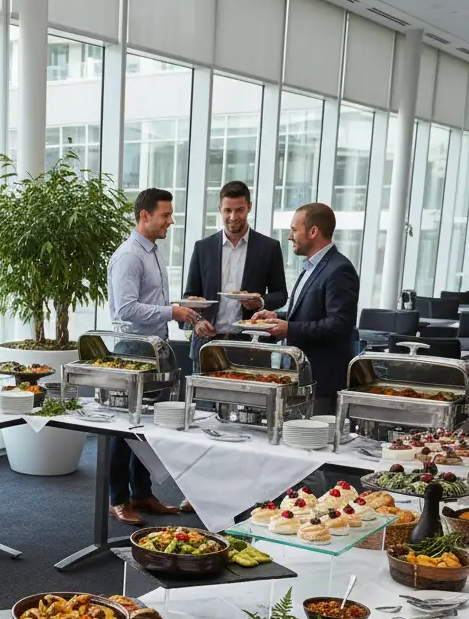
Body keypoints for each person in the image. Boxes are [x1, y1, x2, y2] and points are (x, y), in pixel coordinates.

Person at [106, 187, 199, 526]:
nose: (170, 222)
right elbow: (126, 309)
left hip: (154, 350)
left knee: (145, 428)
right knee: (123, 429)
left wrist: (176, 310)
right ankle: (117, 499)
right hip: (133, 351)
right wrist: (172, 312)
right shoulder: (130, 255)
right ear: (144, 216)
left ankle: (141, 493)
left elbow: (151, 302)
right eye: (165, 215)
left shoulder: (154, 252)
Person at [249, 202, 359, 415]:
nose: (290, 237)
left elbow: (340, 324)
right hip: (299, 378)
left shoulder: (339, 269)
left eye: (294, 230)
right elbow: (308, 315)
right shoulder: (311, 267)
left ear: (313, 231)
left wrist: (290, 329)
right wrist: (276, 318)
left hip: (320, 383)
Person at [184, 180, 288, 360]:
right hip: (208, 344)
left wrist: (261, 301)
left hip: (251, 345)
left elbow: (281, 294)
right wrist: (196, 321)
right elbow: (189, 296)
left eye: (239, 210)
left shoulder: (269, 247)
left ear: (249, 207)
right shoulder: (203, 248)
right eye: (227, 210)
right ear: (219, 208)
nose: (233, 217)